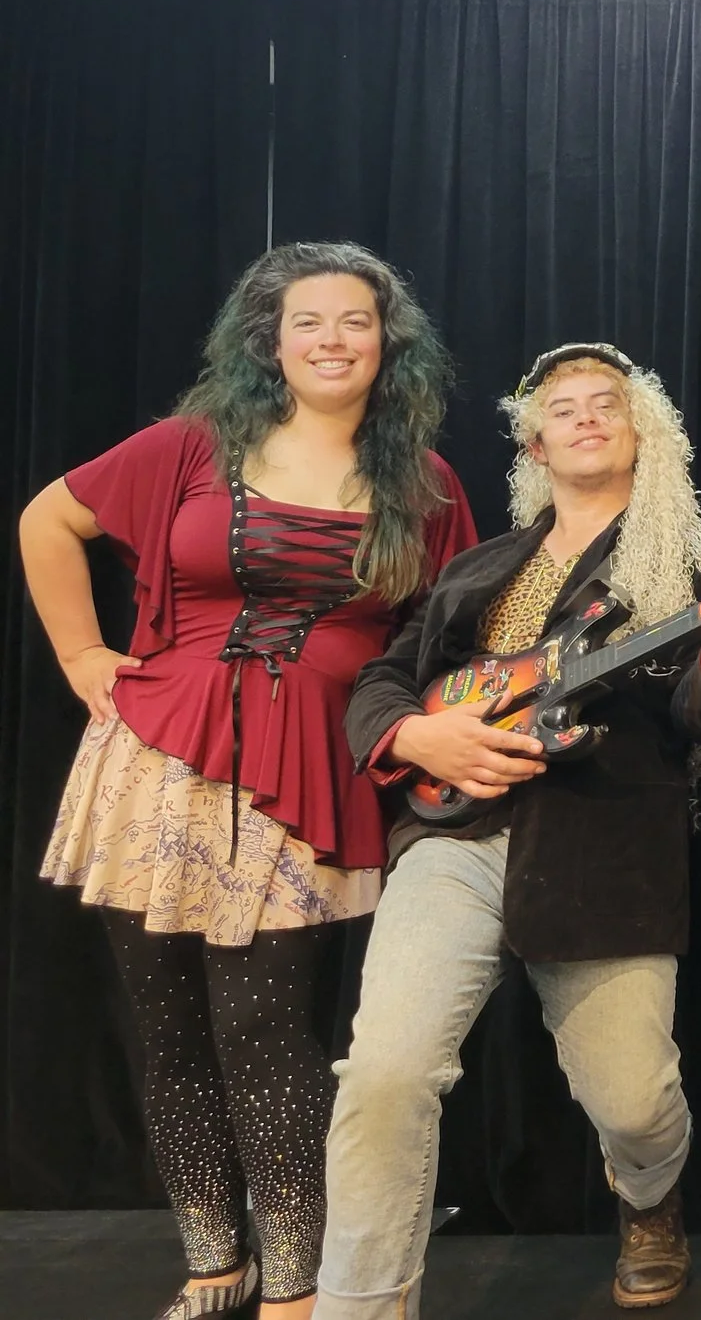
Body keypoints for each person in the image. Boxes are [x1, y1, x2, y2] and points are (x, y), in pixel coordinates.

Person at [20, 242, 474, 1320]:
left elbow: (452, 637)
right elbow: (48, 518)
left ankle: (301, 1283)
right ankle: (214, 1260)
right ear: (270, 340)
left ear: (388, 341)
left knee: (266, 1030)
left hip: (306, 768)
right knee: (168, 1028)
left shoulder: (423, 481)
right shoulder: (194, 444)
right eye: (307, 320)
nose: (332, 339)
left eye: (355, 320)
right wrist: (82, 654)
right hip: (158, 760)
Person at [312, 345, 701, 1317]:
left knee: (635, 1104)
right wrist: (415, 735)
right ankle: (357, 1303)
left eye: (606, 403)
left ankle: (648, 1196)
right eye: (562, 409)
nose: (585, 418)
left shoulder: (695, 560)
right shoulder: (479, 566)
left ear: (643, 429)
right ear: (534, 444)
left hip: (604, 845)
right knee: (386, 1071)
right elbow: (386, 678)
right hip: (454, 839)